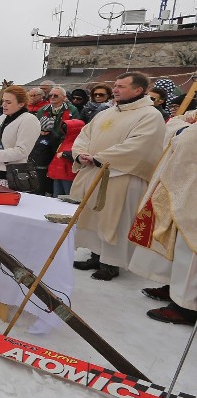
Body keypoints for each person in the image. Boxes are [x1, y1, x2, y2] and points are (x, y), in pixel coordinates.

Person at [70, 72, 165, 281]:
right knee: (94, 217)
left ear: (138, 90)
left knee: (116, 221)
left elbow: (140, 147)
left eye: (121, 86)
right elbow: (84, 134)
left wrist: (100, 158)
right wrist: (81, 154)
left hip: (123, 177)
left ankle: (111, 264)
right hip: (95, 172)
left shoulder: (150, 115)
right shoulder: (107, 112)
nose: (115, 89)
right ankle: (96, 255)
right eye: (115, 85)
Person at [128, 121, 197, 324]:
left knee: (190, 249)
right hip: (181, 185)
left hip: (191, 190)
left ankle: (186, 306)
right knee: (175, 241)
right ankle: (174, 289)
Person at [47, 119, 85, 196]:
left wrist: (65, 154)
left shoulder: (80, 143)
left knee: (69, 196)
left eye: (67, 129)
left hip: (69, 175)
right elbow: (56, 158)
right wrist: (51, 171)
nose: (65, 130)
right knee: (56, 197)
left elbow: (79, 156)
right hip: (59, 174)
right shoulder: (64, 140)